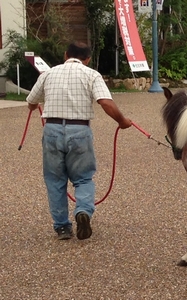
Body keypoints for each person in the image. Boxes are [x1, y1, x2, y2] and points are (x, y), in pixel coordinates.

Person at [26, 42, 132, 240]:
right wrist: (122, 121)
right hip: (79, 130)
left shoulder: (48, 73)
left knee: (55, 180)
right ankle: (82, 210)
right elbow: (106, 103)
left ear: (66, 55)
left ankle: (62, 227)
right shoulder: (91, 75)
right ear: (88, 59)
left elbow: (31, 101)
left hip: (52, 129)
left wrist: (34, 106)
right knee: (83, 178)